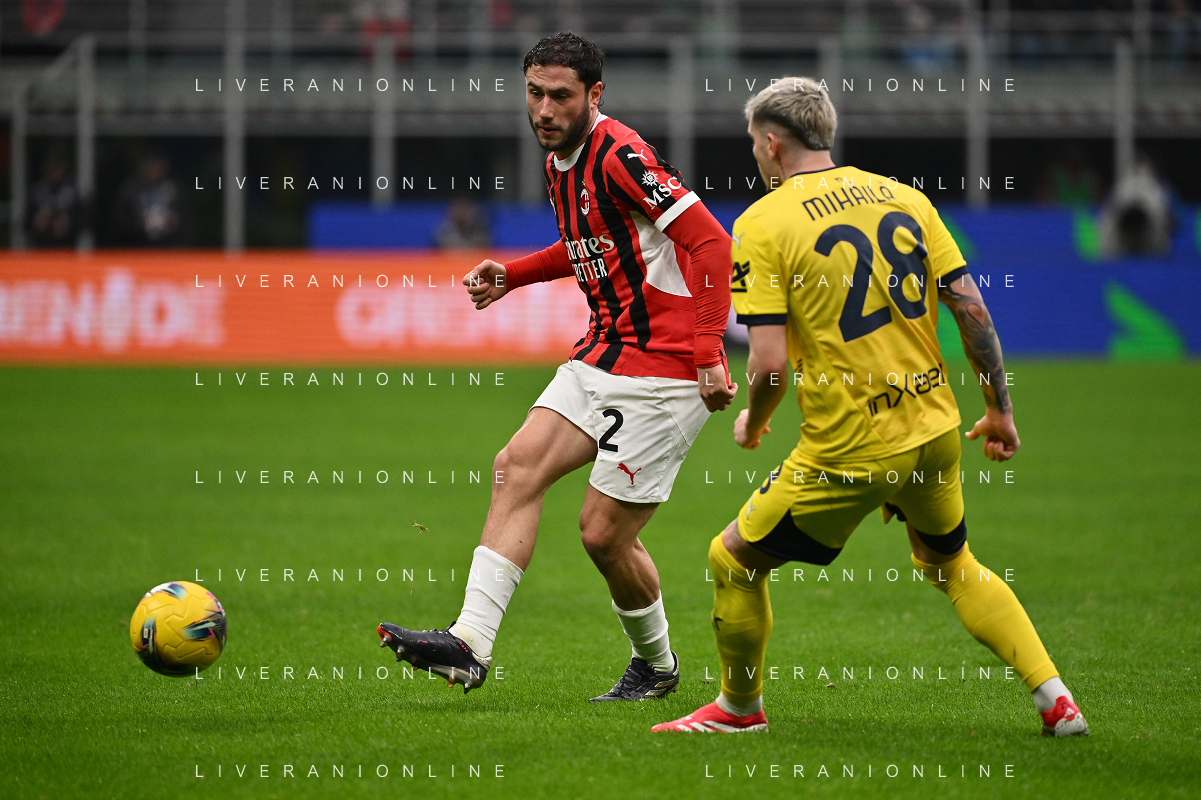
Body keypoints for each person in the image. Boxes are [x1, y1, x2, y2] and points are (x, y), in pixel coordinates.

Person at [652, 77, 1088, 737]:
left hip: (852, 445)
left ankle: (739, 711)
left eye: (753, 144)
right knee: (953, 565)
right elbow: (971, 309)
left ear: (772, 144)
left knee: (732, 558)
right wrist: (998, 409)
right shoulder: (904, 197)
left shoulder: (763, 222)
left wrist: (754, 420)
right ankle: (1056, 700)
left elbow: (768, 364)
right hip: (934, 427)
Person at [377, 31, 737, 702]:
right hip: (602, 350)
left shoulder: (621, 155)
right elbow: (586, 243)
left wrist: (709, 351)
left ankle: (655, 665)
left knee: (602, 535)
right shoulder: (558, 160)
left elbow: (712, 242)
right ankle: (470, 643)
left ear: (594, 94)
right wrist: (514, 275)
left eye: (561, 96)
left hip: (663, 368)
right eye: (535, 93)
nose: (544, 110)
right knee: (516, 467)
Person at [26, 155, 83, 248]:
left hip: (67, 248)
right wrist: (36, 221)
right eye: (50, 169)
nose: (54, 173)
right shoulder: (37, 192)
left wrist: (68, 221)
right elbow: (26, 222)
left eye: (57, 169)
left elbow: (84, 221)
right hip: (41, 248)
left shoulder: (73, 192)